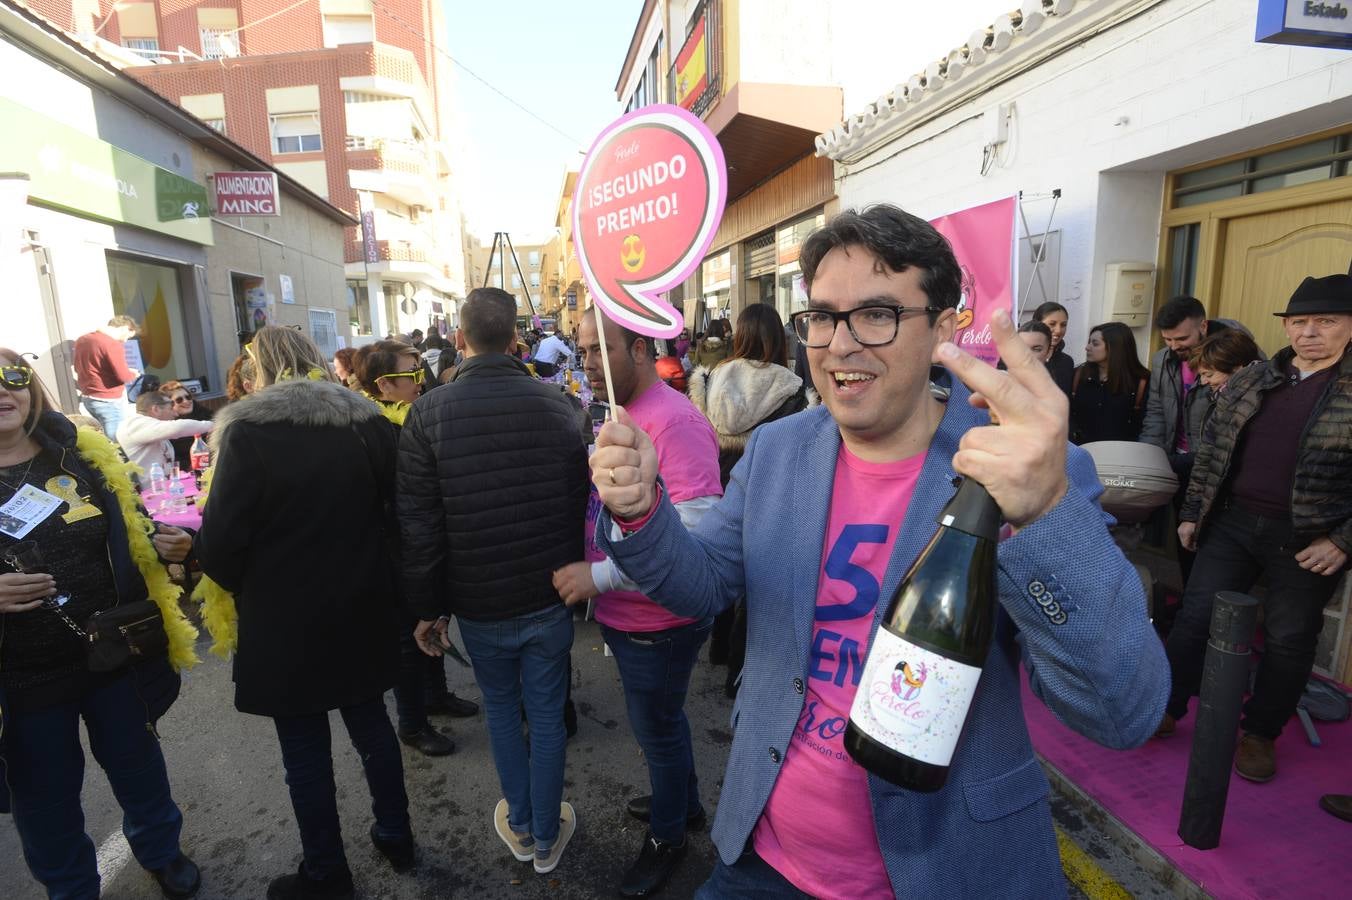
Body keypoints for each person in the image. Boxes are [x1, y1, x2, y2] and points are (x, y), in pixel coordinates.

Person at [585, 204, 1166, 898]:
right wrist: (641, 510)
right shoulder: (778, 450)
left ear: (945, 329)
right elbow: (703, 584)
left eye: (878, 315)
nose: (840, 345)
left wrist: (1041, 515)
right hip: (763, 856)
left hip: (940, 870)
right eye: (824, 317)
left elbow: (1122, 710)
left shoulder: (1022, 468)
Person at [195, 327, 413, 899]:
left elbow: (219, 546)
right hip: (363, 605)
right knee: (373, 727)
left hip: (285, 621)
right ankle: (397, 834)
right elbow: (400, 514)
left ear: (258, 370)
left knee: (306, 753)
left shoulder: (247, 431)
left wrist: (253, 582)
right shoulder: (366, 421)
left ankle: (326, 871)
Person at [399, 288, 589, 877]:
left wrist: (428, 608)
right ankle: (545, 830)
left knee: (503, 712)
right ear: (515, 341)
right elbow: (577, 500)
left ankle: (529, 826)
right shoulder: (560, 406)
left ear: (460, 340)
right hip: (548, 592)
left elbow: (420, 524)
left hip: (478, 600)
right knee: (546, 712)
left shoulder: (427, 414)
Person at [0, 349, 202, 900]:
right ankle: (70, 888)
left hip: (112, 650)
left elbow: (137, 526)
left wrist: (176, 542)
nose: (3, 390)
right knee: (45, 796)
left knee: (137, 764)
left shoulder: (82, 454)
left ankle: (162, 852)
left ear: (31, 388)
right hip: (24, 676)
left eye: (12, 376)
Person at [552, 308, 723, 898]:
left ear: (644, 350)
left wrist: (598, 576)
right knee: (663, 727)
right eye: (585, 350)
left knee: (659, 731)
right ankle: (686, 804)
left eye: (604, 350)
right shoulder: (621, 416)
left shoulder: (676, 423)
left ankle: (669, 839)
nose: (591, 362)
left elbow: (697, 535)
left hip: (662, 619)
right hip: (633, 617)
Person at [1163, 275, 1352, 785]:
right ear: (1287, 326)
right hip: (1233, 524)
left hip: (1307, 539)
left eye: (1326, 321)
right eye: (1299, 322)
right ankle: (1166, 706)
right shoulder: (1255, 378)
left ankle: (1260, 733)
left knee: (1290, 639)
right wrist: (1192, 511)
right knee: (1196, 616)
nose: (1309, 332)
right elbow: (1213, 453)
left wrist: (1341, 541)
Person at [688, 304, 808, 696]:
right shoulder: (790, 386)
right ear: (777, 337)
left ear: (739, 335)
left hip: (718, 479)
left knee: (721, 562)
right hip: (765, 485)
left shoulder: (712, 378)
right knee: (754, 582)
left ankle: (718, 647)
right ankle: (737, 672)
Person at [354, 341, 462, 757]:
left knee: (433, 615)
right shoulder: (370, 428)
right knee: (408, 635)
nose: (422, 380)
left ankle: (437, 696)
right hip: (397, 551)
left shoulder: (413, 417)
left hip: (424, 542)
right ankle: (412, 723)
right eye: (412, 374)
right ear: (383, 384)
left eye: (421, 370)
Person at [1068, 322, 1149, 444]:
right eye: (1089, 342)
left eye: (1095, 344)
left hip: (1123, 454)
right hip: (1084, 452)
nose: (1087, 347)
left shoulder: (1141, 383)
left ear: (1115, 347)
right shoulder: (1078, 375)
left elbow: (1146, 425)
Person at [116, 390, 214, 475]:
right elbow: (179, 428)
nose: (175, 413)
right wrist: (216, 425)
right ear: (156, 409)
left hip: (163, 489)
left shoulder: (148, 426)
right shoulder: (135, 424)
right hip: (148, 493)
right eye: (171, 407)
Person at [72, 315, 140, 438]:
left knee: (105, 440)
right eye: (128, 337)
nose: (125, 341)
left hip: (89, 398)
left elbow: (79, 367)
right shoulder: (111, 344)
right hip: (108, 401)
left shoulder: (82, 339)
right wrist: (133, 374)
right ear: (125, 328)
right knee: (118, 444)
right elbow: (123, 377)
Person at [160, 381, 214, 472]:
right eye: (179, 400)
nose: (186, 401)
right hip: (188, 474)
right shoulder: (166, 427)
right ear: (169, 405)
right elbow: (172, 459)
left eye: (188, 397)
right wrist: (190, 466)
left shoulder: (208, 416)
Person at [1032, 301, 1073, 395]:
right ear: (1037, 323)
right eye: (1052, 324)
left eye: (1063, 325)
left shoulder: (1067, 362)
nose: (1058, 331)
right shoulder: (1016, 356)